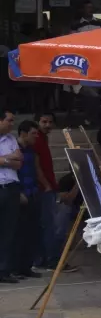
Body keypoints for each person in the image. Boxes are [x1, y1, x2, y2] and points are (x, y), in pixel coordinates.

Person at [12, 121, 43, 279]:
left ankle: (26, 266)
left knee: (32, 231)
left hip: (33, 192)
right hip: (20, 193)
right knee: (18, 232)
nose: (36, 137)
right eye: (33, 133)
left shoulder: (32, 150)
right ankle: (14, 267)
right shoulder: (14, 150)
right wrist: (18, 192)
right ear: (23, 133)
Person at [32, 113, 61, 270]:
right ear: (38, 123)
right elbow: (36, 166)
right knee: (49, 225)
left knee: (46, 224)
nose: (47, 125)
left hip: (48, 186)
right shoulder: (36, 139)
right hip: (44, 188)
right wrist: (46, 184)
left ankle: (43, 259)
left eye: (50, 122)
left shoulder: (44, 138)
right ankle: (51, 260)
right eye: (44, 122)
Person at [0, 110, 21, 284]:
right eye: (9, 120)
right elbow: (13, 160)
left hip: (12, 188)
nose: (12, 124)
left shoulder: (12, 139)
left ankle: (4, 270)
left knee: (9, 230)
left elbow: (19, 162)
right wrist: (9, 159)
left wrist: (2, 160)